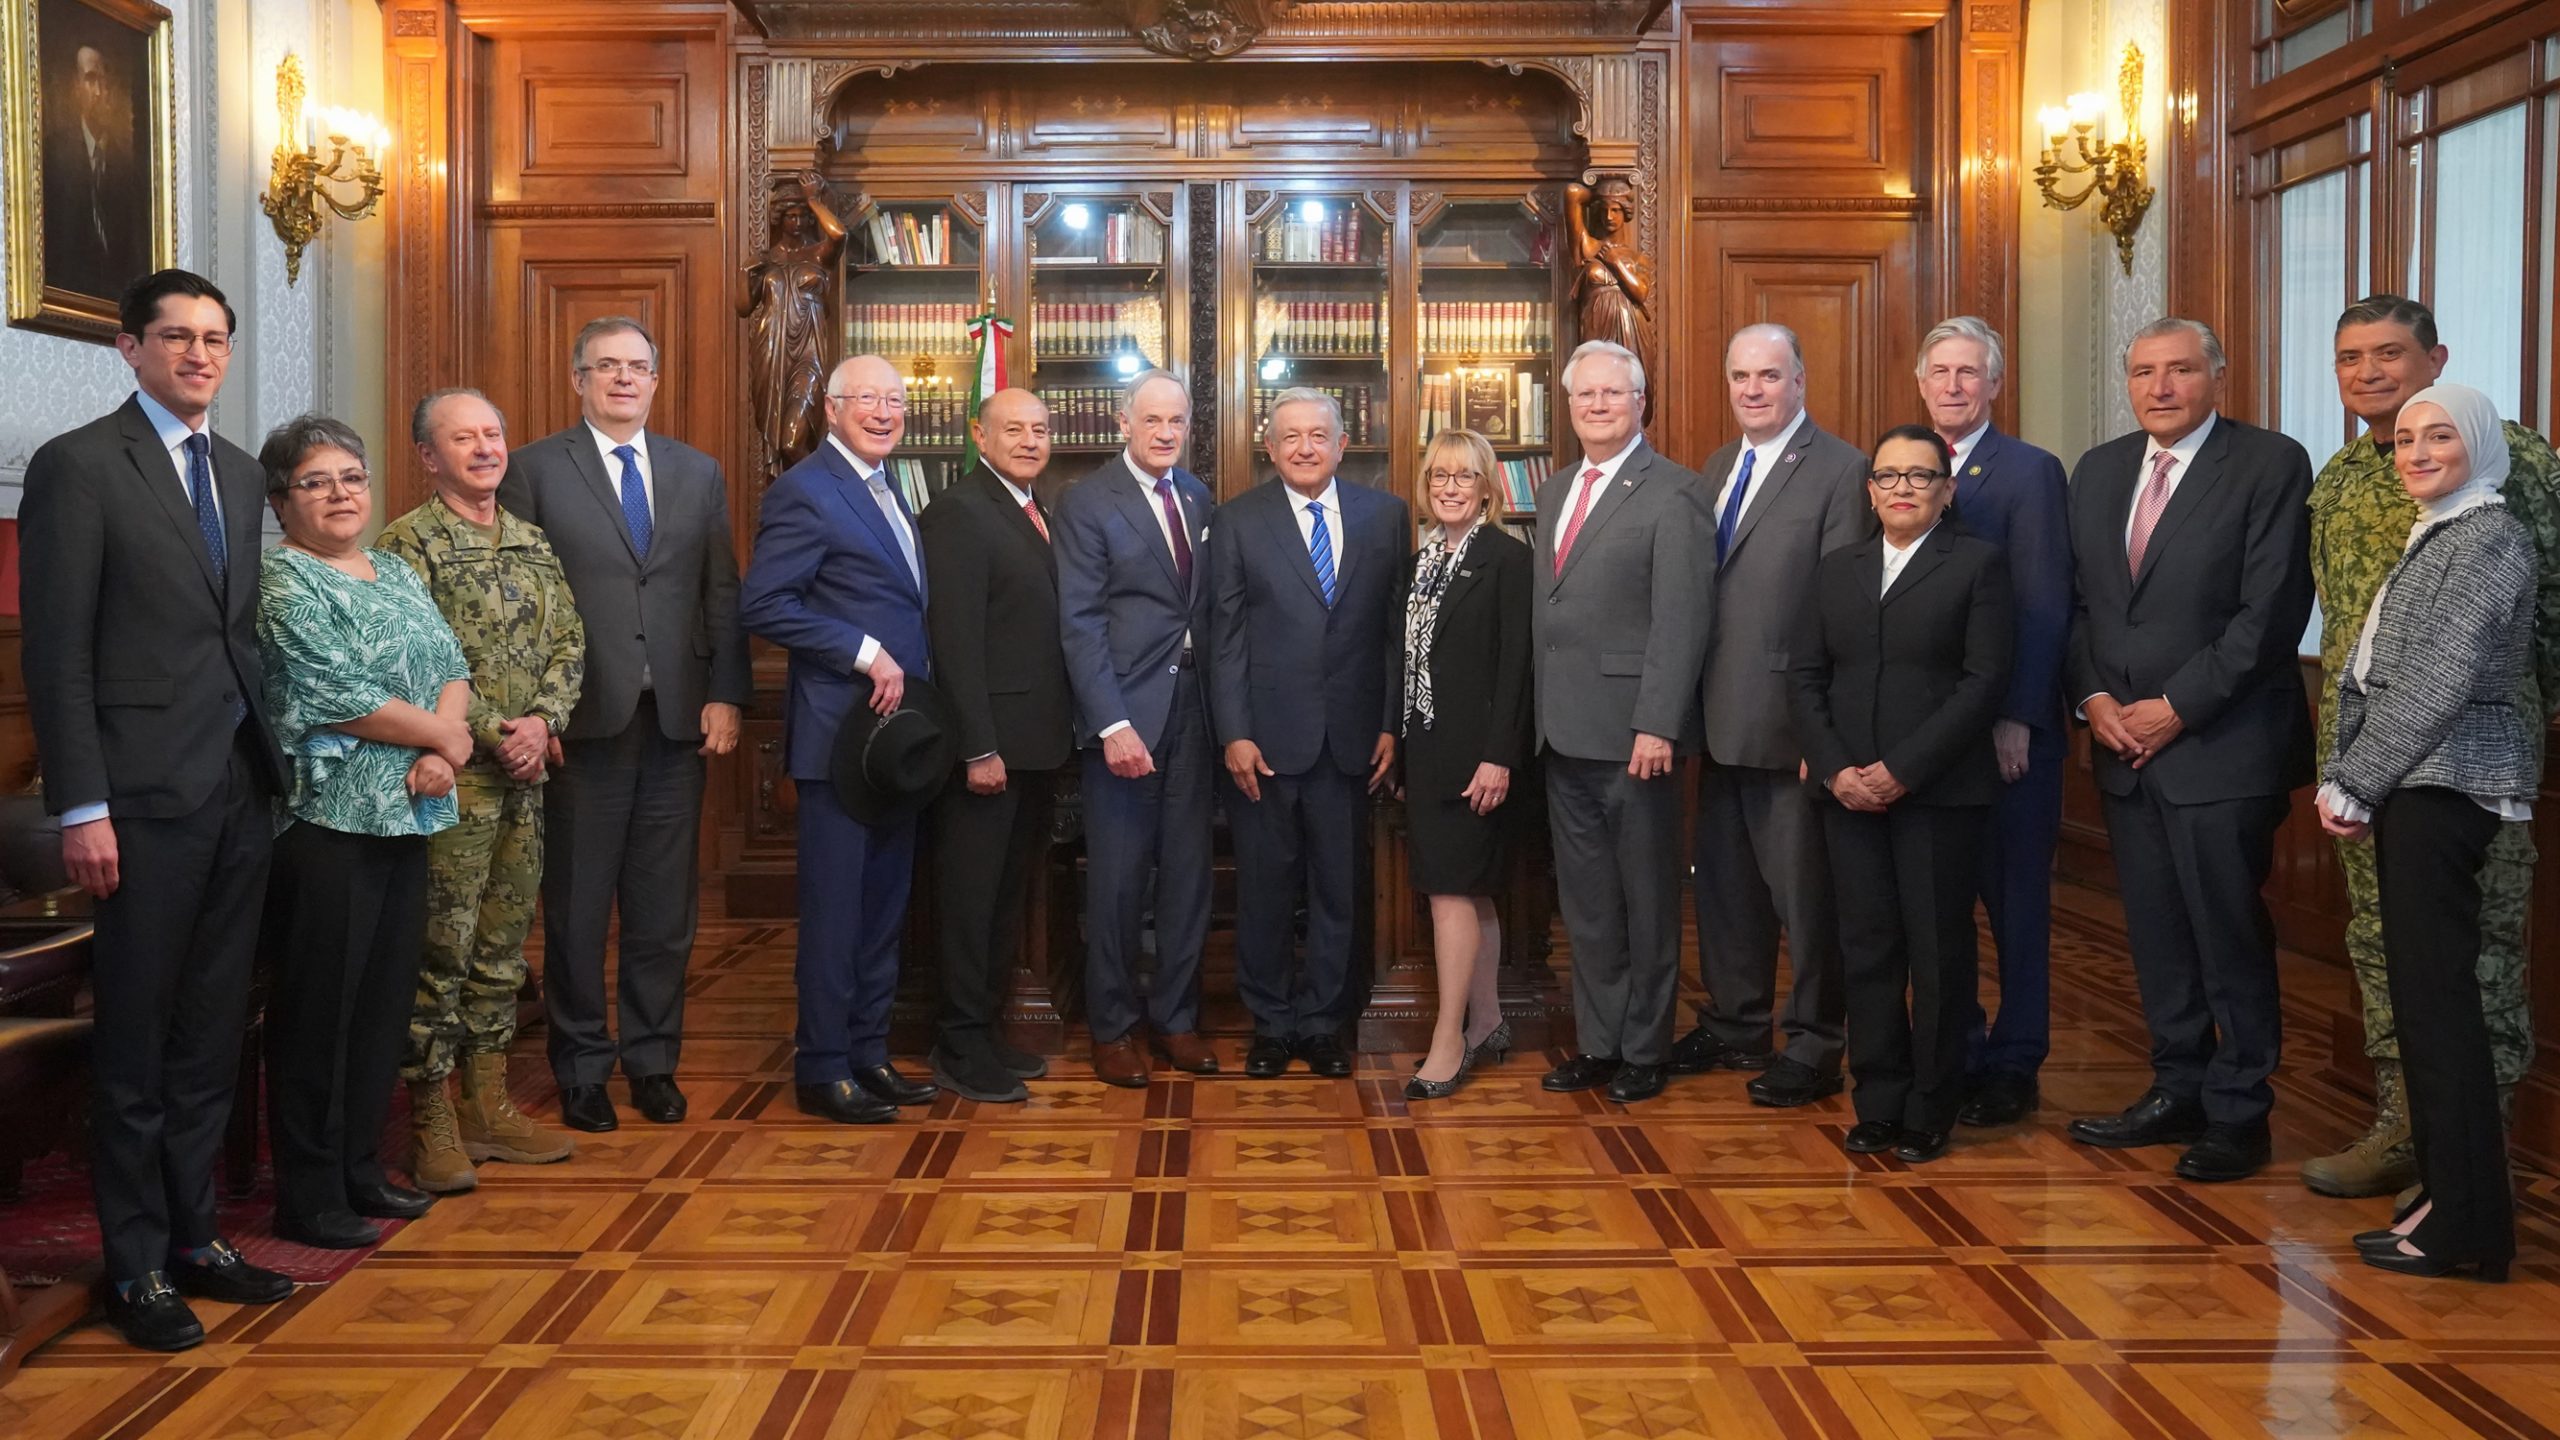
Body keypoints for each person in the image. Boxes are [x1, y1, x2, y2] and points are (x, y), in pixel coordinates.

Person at [21, 269, 293, 1351]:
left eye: (214, 338)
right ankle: (133, 1265)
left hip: (235, 784)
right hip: (133, 797)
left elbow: (233, 636)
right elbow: (57, 653)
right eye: (174, 337)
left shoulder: (235, 470)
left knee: (209, 1033)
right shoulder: (79, 466)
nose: (197, 354)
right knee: (134, 1041)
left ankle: (196, 1240)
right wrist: (80, 805)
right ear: (127, 349)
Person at [2301, 294, 2560, 1199]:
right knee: (2385, 948)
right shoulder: (2336, 480)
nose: (2368, 373)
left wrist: (2531, 727)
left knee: (2476, 956)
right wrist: (2348, 769)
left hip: (2468, 765)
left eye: (2388, 353)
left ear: (2435, 358)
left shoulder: (2511, 460)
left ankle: (2471, 1162)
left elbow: (2548, 605)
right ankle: (2404, 1129)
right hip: (2368, 767)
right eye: (2349, 358)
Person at [2063, 317, 2315, 1183]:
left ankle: (2242, 1111)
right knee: (2159, 934)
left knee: (2227, 932)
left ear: (2218, 374)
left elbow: (2271, 614)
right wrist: (2095, 699)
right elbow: (2081, 608)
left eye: (2179, 371)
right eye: (2143, 372)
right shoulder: (2097, 472)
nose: (2159, 388)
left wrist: (2174, 707)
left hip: (2223, 746)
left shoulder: (2269, 463)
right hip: (2122, 747)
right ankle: (2177, 1086)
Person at [498, 317, 750, 1136]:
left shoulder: (697, 472)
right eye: (605, 367)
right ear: (578, 380)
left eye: (636, 367)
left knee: (662, 912)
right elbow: (519, 608)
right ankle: (580, 1068)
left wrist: (726, 693)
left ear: (655, 379)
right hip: (581, 727)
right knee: (574, 911)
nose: (621, 380)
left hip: (676, 724)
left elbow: (721, 592)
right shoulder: (534, 469)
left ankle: (652, 1062)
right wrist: (538, 709)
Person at [2317, 384, 2534, 1283]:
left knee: (2442, 1014)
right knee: (2425, 1008)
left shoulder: (2490, 537)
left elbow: (2439, 679)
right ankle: (2449, 1202)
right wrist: (2351, 773)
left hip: (2446, 787)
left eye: (2438, 436)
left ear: (2477, 444)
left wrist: (2356, 781)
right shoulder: (2440, 532)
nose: (2415, 452)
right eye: (2405, 439)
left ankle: (2470, 1228)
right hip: (2414, 785)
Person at [254, 414, 472, 1249]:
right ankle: (307, 1195)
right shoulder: (283, 584)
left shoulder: (392, 571)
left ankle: (359, 1169)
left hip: (408, 816)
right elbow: (335, 694)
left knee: (382, 1007)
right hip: (326, 827)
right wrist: (442, 737)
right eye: (316, 482)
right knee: (319, 1015)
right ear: (282, 501)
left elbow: (451, 665)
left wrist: (446, 750)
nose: (341, 494)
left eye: (351, 477)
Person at [379, 390, 585, 1191]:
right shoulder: (408, 546)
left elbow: (570, 639)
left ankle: (487, 1107)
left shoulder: (533, 542)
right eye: (462, 439)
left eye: (493, 434)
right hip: (449, 782)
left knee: (501, 953)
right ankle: (430, 1121)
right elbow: (420, 661)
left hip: (524, 786)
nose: (483, 448)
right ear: (430, 458)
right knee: (442, 954)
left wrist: (544, 720)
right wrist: (507, 732)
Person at [1789, 426, 2014, 1163]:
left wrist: (1903, 770)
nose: (1903, 489)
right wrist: (1836, 770)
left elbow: (1983, 684)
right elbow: (1805, 679)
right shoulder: (1835, 569)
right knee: (1868, 949)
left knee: (1939, 954)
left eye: (1921, 477)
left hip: (1938, 795)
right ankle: (1878, 1099)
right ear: (1870, 490)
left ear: (1947, 491)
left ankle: (1931, 1103)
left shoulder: (1977, 565)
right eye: (1889, 477)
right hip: (1847, 795)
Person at [740, 355, 938, 1124]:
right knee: (836, 912)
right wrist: (862, 651)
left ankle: (868, 1052)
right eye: (868, 400)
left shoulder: (890, 489)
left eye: (895, 400)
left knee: (884, 907)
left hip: (897, 741)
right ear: (833, 409)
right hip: (838, 742)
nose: (885, 412)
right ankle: (822, 1067)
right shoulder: (806, 492)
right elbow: (765, 603)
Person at [1681, 323, 1872, 1108]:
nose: (1752, 390)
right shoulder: (1720, 466)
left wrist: (1820, 734)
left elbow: (1842, 610)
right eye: (1739, 377)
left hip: (1790, 725)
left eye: (1768, 375)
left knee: (1806, 897)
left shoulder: (1840, 469)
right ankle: (1737, 1022)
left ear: (1800, 381)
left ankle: (1817, 1043)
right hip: (1716, 720)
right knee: (1726, 890)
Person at [1532, 339, 1713, 1104]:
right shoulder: (1555, 489)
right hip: (1561, 732)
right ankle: (1600, 1044)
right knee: (1589, 906)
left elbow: (1682, 620)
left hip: (1635, 735)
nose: (1598, 406)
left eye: (1613, 394)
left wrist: (1659, 723)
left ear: (1643, 402)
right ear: (1569, 407)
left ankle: (1647, 1048)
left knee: (1646, 900)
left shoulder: (1675, 491)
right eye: (1585, 396)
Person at [1210, 388, 1409, 1080]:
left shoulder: (1386, 517)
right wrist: (1233, 731)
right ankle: (1271, 1022)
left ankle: (1324, 1022)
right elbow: (1224, 638)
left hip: (1352, 740)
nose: (1303, 448)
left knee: (1338, 888)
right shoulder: (1238, 522)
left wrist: (1390, 723)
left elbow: (1394, 636)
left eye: (1317, 435)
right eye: (1289, 436)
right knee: (1264, 888)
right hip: (1263, 744)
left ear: (1342, 443)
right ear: (1269, 448)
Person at [1912, 317, 2074, 1128]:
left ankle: (2015, 1060)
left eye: (1969, 373)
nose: (1953, 385)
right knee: (1941, 905)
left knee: (2015, 908)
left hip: (2006, 739)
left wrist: (2018, 717)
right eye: (1940, 372)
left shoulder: (2028, 473)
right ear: (1920, 382)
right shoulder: (1901, 467)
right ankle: (1959, 1049)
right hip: (1929, 736)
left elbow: (2045, 605)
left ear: (1995, 385)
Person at [1052, 369, 1219, 1088]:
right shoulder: (1087, 502)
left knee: (1188, 878)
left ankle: (1176, 1021)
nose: (1164, 433)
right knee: (1119, 883)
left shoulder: (1198, 496)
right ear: (1123, 423)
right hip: (1124, 718)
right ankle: (1114, 1028)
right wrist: (1111, 722)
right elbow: (1080, 623)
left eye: (1176, 421)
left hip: (1197, 713)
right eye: (1151, 420)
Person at [919, 388, 1075, 1103]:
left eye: (1040, 429)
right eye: (1014, 429)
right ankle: (958, 1044)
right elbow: (954, 642)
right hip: (989, 751)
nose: (1030, 440)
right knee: (969, 902)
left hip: (1039, 745)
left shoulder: (1039, 510)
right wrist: (977, 747)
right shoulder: (958, 513)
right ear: (980, 435)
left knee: (1005, 901)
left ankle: (985, 1033)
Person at [1398, 428, 1532, 1100]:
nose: (1450, 487)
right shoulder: (1420, 561)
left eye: (1464, 476)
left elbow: (1517, 669)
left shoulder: (1507, 560)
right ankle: (1488, 1021)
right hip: (1425, 753)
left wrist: (1499, 757)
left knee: (1451, 893)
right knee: (1467, 892)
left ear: (1488, 488)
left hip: (1477, 760)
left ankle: (1447, 1040)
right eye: (1439, 476)